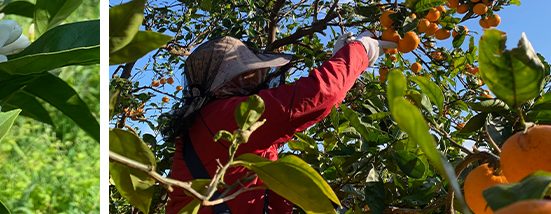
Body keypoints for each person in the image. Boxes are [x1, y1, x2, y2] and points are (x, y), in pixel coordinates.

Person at [161, 31, 395, 213]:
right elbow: (316, 95)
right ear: (225, 79)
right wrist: (359, 52)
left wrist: (339, 59)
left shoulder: (209, 122)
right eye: (245, 74)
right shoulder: (225, 117)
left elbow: (288, 115)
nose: (254, 79)